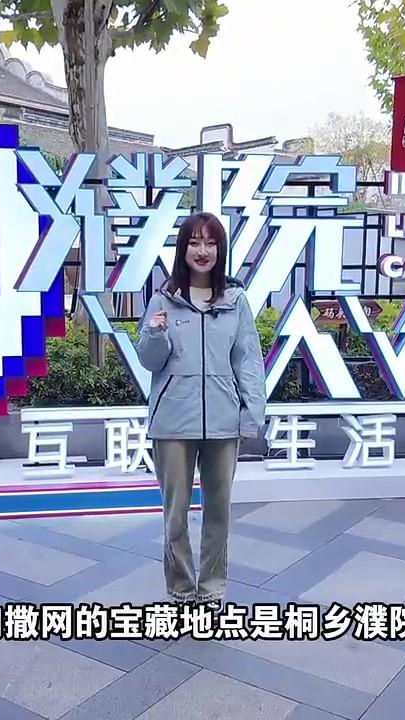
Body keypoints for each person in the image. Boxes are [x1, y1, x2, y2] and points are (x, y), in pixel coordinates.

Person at [135, 211, 267, 606]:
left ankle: (211, 588)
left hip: (223, 423)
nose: (203, 251)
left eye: (210, 243)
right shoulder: (164, 299)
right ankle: (180, 588)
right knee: (175, 514)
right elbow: (150, 361)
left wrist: (251, 415)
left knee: (219, 512)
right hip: (173, 422)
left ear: (220, 250)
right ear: (183, 249)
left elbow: (248, 361)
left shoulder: (235, 301)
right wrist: (155, 334)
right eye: (194, 242)